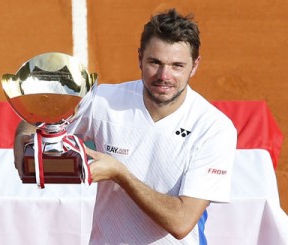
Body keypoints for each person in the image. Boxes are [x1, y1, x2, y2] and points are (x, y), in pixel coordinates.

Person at [14, 8, 237, 244]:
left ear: (195, 65)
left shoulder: (213, 128)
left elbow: (181, 222)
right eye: (155, 62)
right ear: (139, 58)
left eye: (177, 66)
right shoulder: (105, 101)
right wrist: (25, 140)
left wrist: (120, 174)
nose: (164, 75)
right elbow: (41, 118)